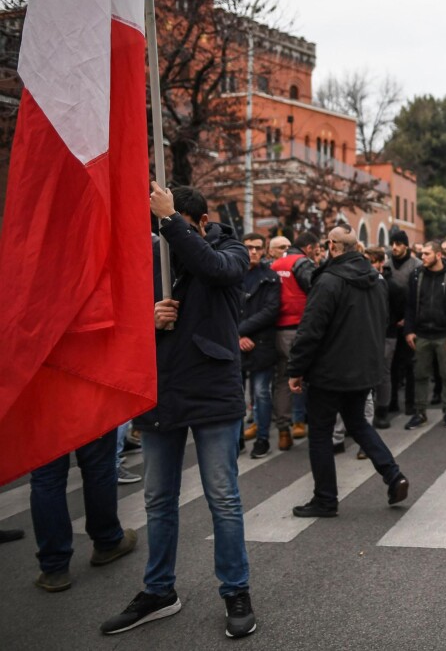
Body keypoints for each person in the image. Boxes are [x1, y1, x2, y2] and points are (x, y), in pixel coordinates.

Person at [102, 183, 255, 638]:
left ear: (201, 223)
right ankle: (158, 591)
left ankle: (236, 591)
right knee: (157, 500)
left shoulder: (230, 248)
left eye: (175, 227)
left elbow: (213, 269)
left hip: (212, 388)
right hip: (162, 388)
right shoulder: (150, 253)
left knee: (223, 499)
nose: (165, 238)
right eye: (160, 227)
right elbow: (123, 321)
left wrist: (170, 222)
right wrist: (147, 320)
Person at [287, 226, 410, 518]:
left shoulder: (329, 280)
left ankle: (325, 499)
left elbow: (310, 329)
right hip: (363, 368)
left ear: (332, 245)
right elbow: (383, 321)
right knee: (358, 424)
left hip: (329, 370)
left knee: (320, 433)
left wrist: (296, 368)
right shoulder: (376, 278)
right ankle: (394, 476)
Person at [30, 430, 137, 592]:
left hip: (41, 410)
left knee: (47, 478)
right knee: (99, 466)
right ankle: (108, 541)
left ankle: (54, 568)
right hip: (88, 405)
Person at [404, 241, 446, 430]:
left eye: (427, 254)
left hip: (445, 333)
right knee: (420, 374)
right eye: (422, 254)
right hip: (421, 333)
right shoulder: (416, 275)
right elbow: (411, 304)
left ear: (438, 255)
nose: (423, 258)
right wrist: (409, 330)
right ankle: (420, 412)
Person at [271, 233, 319, 448]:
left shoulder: (275, 264)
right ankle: (308, 423)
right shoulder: (302, 263)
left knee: (282, 379)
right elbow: (317, 291)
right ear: (308, 248)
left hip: (278, 330)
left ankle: (283, 430)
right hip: (301, 329)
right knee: (307, 377)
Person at [238, 233, 281, 458]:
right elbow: (224, 307)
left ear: (263, 250)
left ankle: (262, 439)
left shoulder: (271, 277)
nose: (253, 251)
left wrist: (242, 330)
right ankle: (237, 439)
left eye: (257, 248)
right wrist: (237, 335)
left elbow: (271, 311)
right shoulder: (232, 274)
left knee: (262, 393)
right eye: (248, 247)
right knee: (236, 394)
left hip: (261, 343)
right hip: (237, 343)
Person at [365, 247, 406, 429]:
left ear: (381, 262)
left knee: (383, 373)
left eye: (372, 261)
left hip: (387, 334)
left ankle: (382, 411)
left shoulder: (392, 285)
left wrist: (394, 322)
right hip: (367, 334)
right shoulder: (363, 281)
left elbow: (400, 307)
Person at [387, 230, 422, 416]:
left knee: (410, 365)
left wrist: (409, 320)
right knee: (391, 366)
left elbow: (418, 296)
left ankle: (410, 403)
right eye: (393, 243)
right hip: (390, 322)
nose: (395, 247)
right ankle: (391, 401)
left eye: (399, 243)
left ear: (406, 245)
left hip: (410, 323)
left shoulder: (417, 266)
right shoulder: (386, 265)